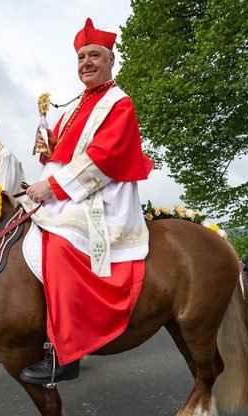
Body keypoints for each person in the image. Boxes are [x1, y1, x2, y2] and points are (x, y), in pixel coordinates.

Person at [20, 18, 153, 385]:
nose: (86, 62)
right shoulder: (74, 105)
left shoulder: (119, 103)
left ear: (111, 60)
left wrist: (52, 187)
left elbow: (102, 159)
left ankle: (67, 352)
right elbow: (63, 152)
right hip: (66, 190)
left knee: (61, 245)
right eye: (81, 57)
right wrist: (48, 144)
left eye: (94, 55)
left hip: (100, 194)